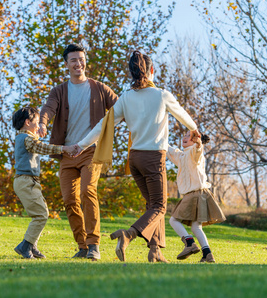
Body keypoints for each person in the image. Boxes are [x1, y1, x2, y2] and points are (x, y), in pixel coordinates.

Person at [75, 51, 200, 262]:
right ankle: (128, 235)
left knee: (152, 205)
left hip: (134, 159)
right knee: (159, 206)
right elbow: (184, 116)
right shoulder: (162, 95)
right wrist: (195, 130)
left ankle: (155, 251)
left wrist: (81, 144)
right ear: (152, 71)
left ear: (132, 73)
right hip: (153, 158)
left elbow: (103, 125)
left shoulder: (126, 97)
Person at [39, 44, 118, 260]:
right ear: (66, 64)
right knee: (69, 200)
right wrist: (43, 123)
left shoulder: (100, 88)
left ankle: (94, 245)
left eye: (81, 59)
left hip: (90, 150)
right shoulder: (59, 91)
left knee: (87, 192)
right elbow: (48, 108)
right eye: (73, 60)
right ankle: (82, 246)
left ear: (85, 61)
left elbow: (121, 107)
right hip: (67, 153)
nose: (78, 63)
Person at [12, 106, 75, 259]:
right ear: (28, 122)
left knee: (42, 213)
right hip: (26, 181)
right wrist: (64, 149)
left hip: (28, 181)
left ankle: (31, 245)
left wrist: (37, 135)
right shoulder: (27, 139)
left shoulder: (24, 137)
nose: (40, 124)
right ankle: (25, 245)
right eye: (37, 121)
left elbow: (35, 144)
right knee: (41, 215)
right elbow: (40, 147)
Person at [167, 131, 226, 263]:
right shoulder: (181, 155)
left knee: (173, 221)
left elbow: (198, 149)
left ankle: (189, 243)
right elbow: (168, 149)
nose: (184, 138)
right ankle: (207, 254)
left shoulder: (194, 153)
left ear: (195, 139)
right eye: (184, 136)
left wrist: (199, 142)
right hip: (200, 194)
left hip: (195, 194)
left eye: (188, 136)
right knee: (196, 227)